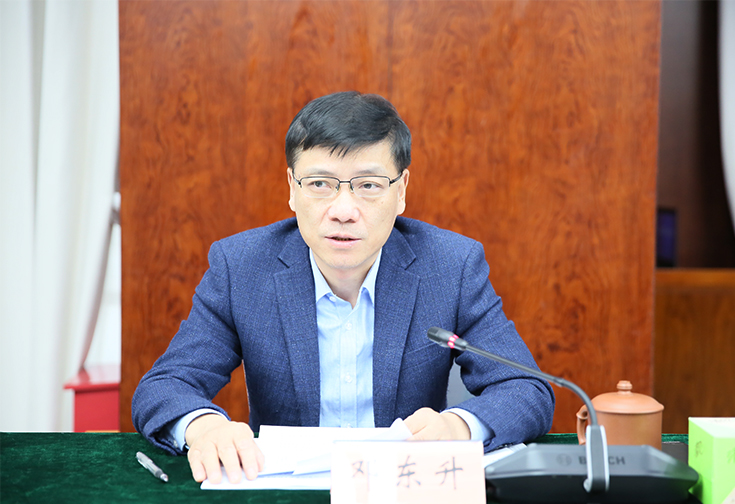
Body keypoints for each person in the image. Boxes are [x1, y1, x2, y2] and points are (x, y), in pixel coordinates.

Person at [132, 91, 555, 484]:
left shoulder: (450, 266)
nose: (344, 210)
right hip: (287, 489)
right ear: (292, 189)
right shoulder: (241, 268)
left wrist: (457, 427)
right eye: (320, 184)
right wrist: (204, 426)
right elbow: (165, 385)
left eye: (368, 186)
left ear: (401, 191)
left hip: (400, 487)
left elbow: (526, 388)